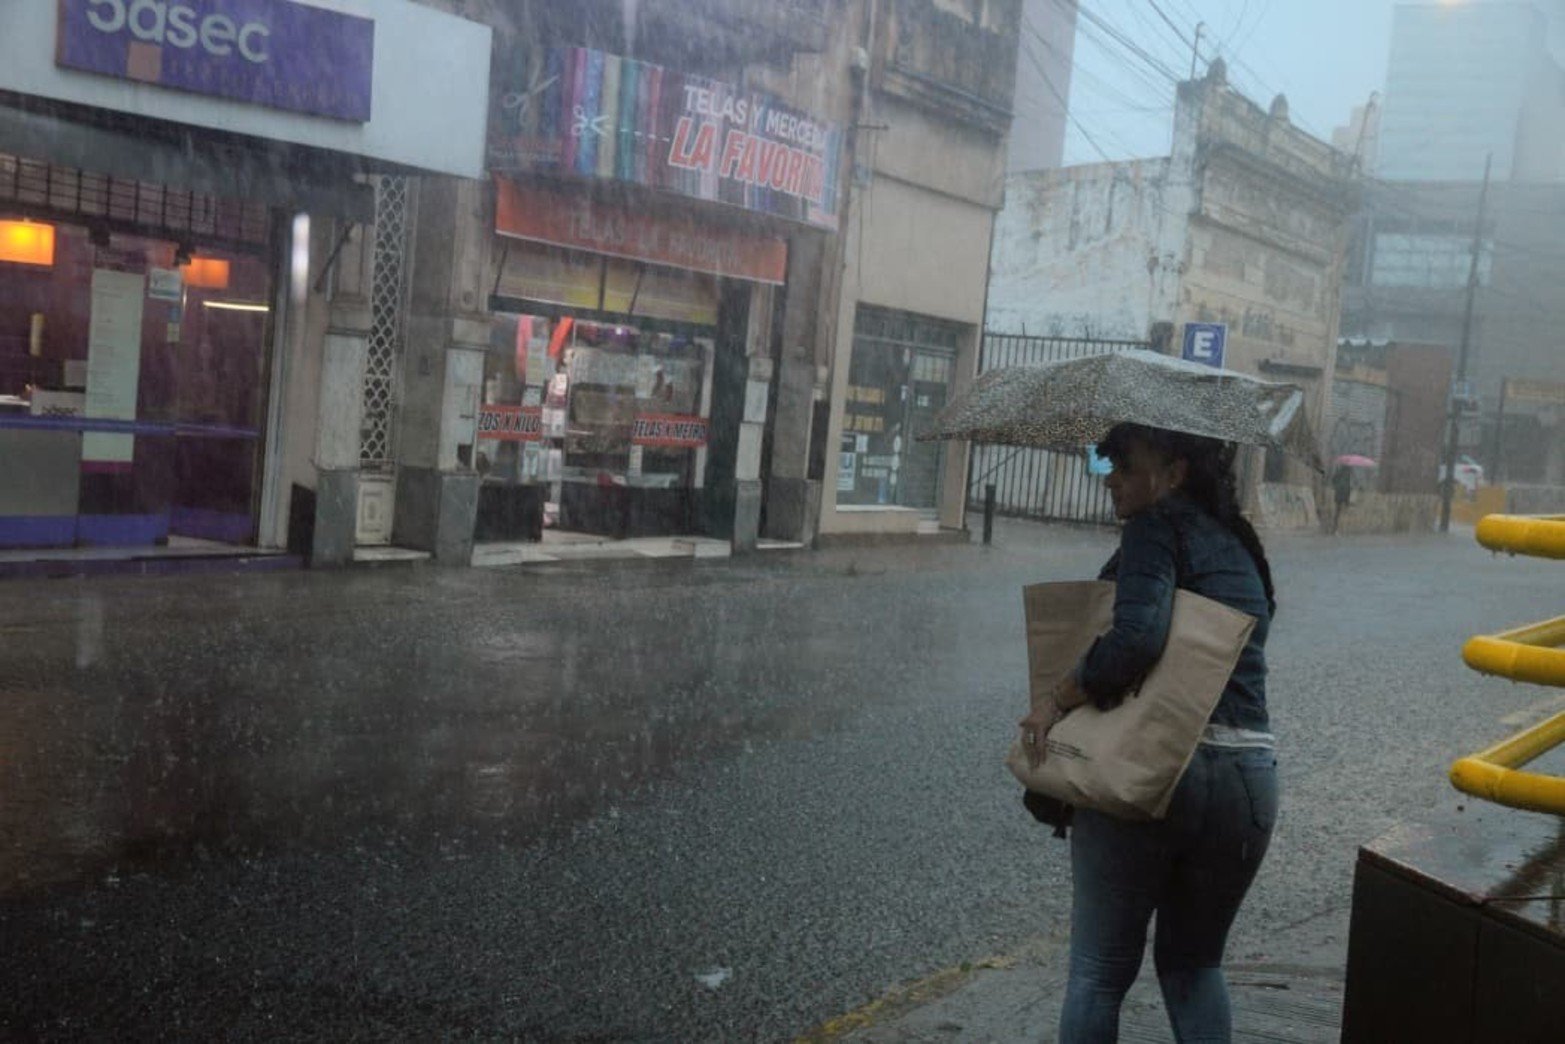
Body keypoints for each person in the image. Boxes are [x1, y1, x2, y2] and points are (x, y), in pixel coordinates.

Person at [1020, 422, 1278, 1044]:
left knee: (1098, 973)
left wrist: (1055, 701)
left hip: (1159, 772)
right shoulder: (1240, 543)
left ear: (1173, 474)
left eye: (1127, 466)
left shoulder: (1154, 527)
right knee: (1195, 966)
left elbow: (1135, 641)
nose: (1112, 479)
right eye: (1109, 465)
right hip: (1248, 780)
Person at [1330, 464, 1353, 534]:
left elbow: (1333, 480)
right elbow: (1349, 485)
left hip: (1338, 494)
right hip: (1345, 494)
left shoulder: (1338, 472)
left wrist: (1336, 487)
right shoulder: (1348, 474)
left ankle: (1335, 528)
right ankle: (1343, 528)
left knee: (1337, 511)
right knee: (1345, 511)